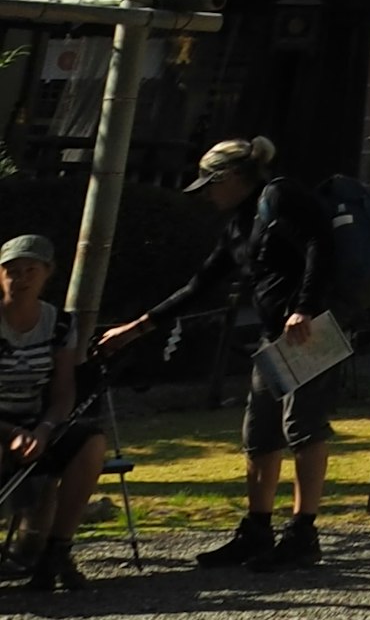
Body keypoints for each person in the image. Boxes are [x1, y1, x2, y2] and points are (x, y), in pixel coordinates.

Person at [96, 138, 337, 573]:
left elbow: (323, 242)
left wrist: (305, 307)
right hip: (272, 335)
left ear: (231, 178)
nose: (207, 194)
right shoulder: (240, 225)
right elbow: (199, 285)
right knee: (259, 434)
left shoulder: (281, 195)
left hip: (311, 328)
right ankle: (257, 530)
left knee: (303, 428)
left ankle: (303, 533)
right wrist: (137, 328)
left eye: (210, 184)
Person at [0, 233, 105, 594]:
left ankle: (56, 551)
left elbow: (64, 391)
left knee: (90, 442)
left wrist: (44, 430)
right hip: (3, 425)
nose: (21, 278)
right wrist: (10, 431)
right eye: (12, 271)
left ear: (48, 273)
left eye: (31, 270)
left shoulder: (59, 324)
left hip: (36, 423)